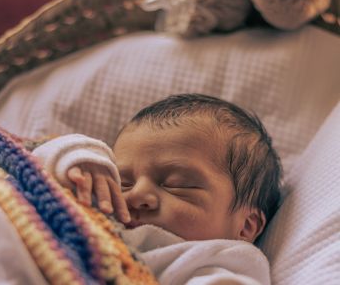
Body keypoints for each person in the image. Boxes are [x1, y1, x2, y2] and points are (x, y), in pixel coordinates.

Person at [33, 93, 282, 284]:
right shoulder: (101, 203)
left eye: (177, 185)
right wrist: (82, 162)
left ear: (246, 226)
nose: (137, 194)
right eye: (123, 182)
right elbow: (35, 161)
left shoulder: (219, 260)